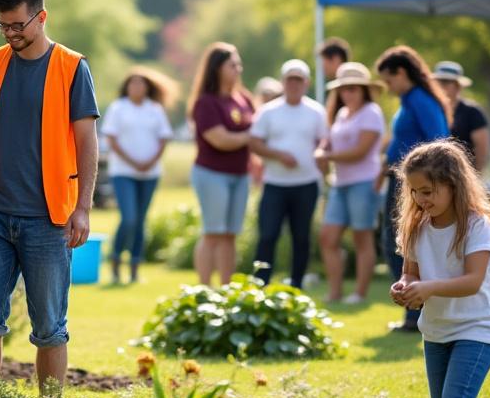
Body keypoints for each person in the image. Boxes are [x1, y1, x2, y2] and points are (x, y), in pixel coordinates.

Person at [0, 0, 99, 397]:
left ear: (42, 17)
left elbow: (86, 140)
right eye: (3, 25)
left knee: (50, 329)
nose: (11, 34)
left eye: (18, 25)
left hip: (49, 217)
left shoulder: (73, 67)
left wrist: (83, 207)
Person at [390, 140, 490, 398]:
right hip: (436, 332)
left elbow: (473, 281)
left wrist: (428, 288)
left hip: (477, 330)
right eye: (413, 191)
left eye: (427, 191)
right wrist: (405, 285)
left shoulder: (476, 225)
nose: (419, 198)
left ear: (453, 184)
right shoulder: (416, 227)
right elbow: (411, 271)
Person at [376, 45, 451, 333]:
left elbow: (439, 141)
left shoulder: (420, 100)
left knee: (402, 244)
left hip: (416, 184)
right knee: (398, 242)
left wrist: (426, 184)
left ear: (403, 73)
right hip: (401, 180)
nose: (387, 86)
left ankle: (415, 311)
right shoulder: (409, 100)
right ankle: (412, 311)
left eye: (389, 79)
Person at [249, 59, 328, 288]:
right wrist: (278, 155)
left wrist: (321, 151)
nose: (294, 84)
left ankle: (296, 284)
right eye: (290, 79)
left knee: (301, 237)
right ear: (283, 82)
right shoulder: (268, 112)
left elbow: (323, 139)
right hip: (275, 184)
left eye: (299, 79)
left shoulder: (316, 111)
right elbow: (255, 143)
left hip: (306, 183)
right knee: (268, 235)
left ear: (306, 82)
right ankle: (260, 284)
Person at [315, 62, 385, 303]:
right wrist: (324, 148)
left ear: (363, 89)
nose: (348, 93)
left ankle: (359, 293)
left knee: (361, 238)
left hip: (364, 183)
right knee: (328, 237)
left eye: (353, 88)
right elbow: (331, 142)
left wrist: (327, 156)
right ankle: (335, 292)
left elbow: (361, 151)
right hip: (341, 183)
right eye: (344, 89)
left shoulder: (371, 112)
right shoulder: (342, 114)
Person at [187, 43, 256, 286]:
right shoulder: (206, 103)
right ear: (217, 68)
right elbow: (221, 140)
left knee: (230, 236)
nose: (239, 68)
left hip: (240, 174)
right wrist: (252, 137)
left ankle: (226, 290)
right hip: (211, 174)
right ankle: (205, 290)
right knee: (213, 233)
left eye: (239, 64)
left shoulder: (244, 98)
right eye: (232, 64)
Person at [101, 66, 175, 284]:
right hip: (123, 172)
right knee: (129, 218)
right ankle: (115, 259)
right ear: (127, 87)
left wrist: (149, 162)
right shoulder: (118, 108)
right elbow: (112, 139)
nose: (137, 87)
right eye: (133, 83)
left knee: (141, 221)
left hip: (149, 174)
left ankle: (134, 266)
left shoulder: (155, 109)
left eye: (141, 83)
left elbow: (163, 138)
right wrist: (133, 161)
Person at [434, 62, 490, 172]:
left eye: (446, 82)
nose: (441, 86)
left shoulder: (472, 112)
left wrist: (477, 174)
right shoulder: (432, 111)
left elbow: (481, 147)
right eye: (438, 82)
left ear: (457, 86)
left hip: (463, 173)